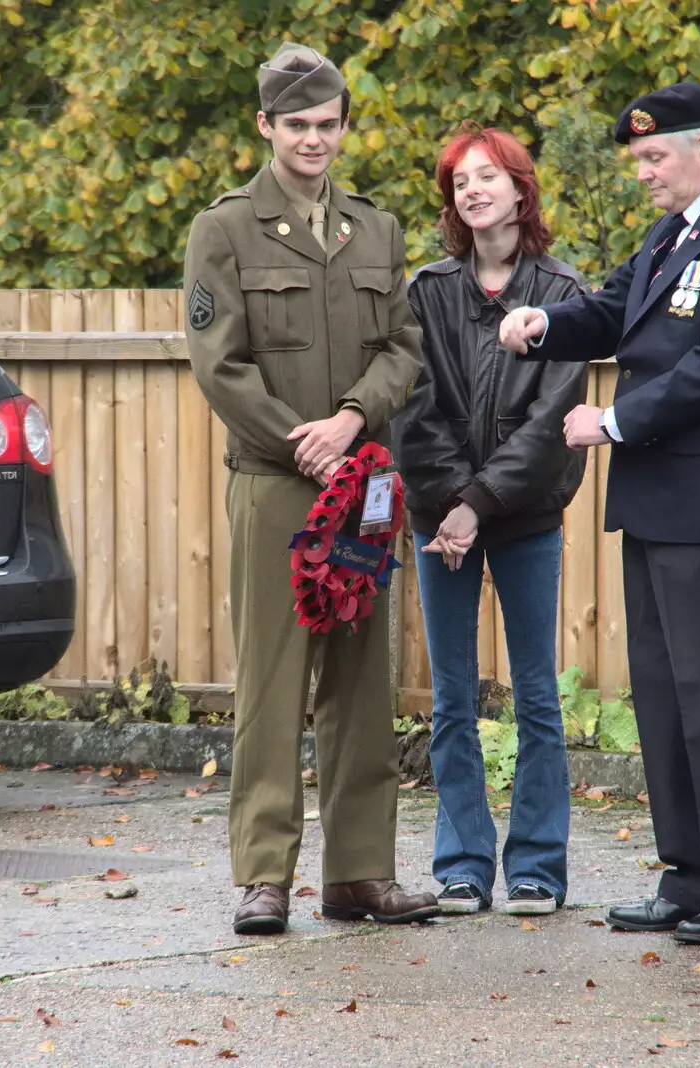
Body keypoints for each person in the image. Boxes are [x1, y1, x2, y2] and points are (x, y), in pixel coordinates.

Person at [499, 82, 700, 945]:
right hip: (657, 500)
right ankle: (691, 873)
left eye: (653, 157)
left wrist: (614, 421)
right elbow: (612, 311)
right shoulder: (677, 232)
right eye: (638, 160)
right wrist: (541, 325)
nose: (643, 173)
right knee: (665, 696)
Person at [181, 42, 437, 936]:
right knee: (273, 682)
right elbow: (220, 366)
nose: (315, 140)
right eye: (298, 125)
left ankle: (361, 874)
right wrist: (306, 443)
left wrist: (354, 421)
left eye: (328, 124)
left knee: (364, 681)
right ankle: (263, 876)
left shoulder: (376, 229)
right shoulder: (225, 229)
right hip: (276, 485)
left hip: (363, 483)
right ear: (266, 126)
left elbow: (402, 346)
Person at [393, 126, 588, 916]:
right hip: (439, 522)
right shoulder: (427, 292)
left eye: (486, 177)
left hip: (525, 518)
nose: (471, 191)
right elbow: (414, 412)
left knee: (537, 696)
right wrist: (453, 505)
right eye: (458, 182)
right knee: (450, 699)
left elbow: (551, 423)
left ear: (520, 190)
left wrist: (479, 504)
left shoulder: (566, 294)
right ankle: (463, 865)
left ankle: (538, 867)